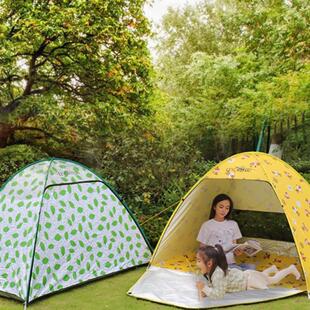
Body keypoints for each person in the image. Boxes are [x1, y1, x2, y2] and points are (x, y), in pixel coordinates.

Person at [196, 245, 301, 299]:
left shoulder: (217, 273)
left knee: (272, 281)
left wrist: (204, 288)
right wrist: (206, 291)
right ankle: (271, 269)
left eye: (198, 261)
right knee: (263, 277)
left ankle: (290, 269)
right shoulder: (212, 272)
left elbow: (219, 294)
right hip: (248, 277)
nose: (196, 264)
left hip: (250, 280)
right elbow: (215, 286)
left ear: (209, 263)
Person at [197, 193, 254, 270]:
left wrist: (238, 252)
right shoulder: (207, 225)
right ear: (214, 207)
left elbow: (234, 247)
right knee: (240, 273)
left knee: (251, 267)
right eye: (221, 207)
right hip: (215, 264)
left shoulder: (233, 224)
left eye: (227, 208)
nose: (224, 210)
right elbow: (201, 250)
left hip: (231, 264)